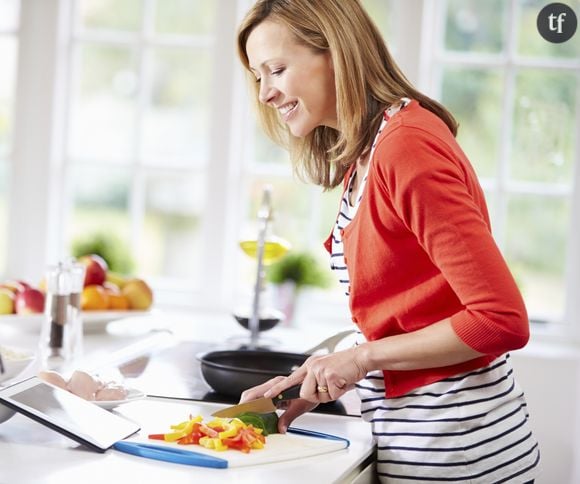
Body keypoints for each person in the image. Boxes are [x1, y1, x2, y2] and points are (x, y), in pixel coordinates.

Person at [236, 0, 541, 482]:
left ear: (336, 52)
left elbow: (500, 320)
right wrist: (312, 380)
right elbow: (411, 317)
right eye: (258, 76)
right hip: (416, 442)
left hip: (455, 451)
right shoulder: (368, 153)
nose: (266, 93)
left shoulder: (406, 147)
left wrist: (360, 358)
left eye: (276, 69)